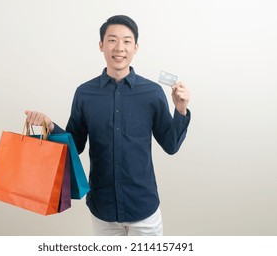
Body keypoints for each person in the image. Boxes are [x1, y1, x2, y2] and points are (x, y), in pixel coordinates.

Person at [25, 15, 191, 236]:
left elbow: (171, 145)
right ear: (101, 45)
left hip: (144, 209)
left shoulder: (152, 93)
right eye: (112, 40)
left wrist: (180, 110)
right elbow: (76, 145)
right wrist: (49, 125)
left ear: (136, 47)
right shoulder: (84, 93)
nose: (119, 48)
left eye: (127, 41)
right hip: (103, 210)